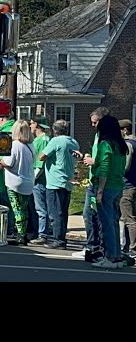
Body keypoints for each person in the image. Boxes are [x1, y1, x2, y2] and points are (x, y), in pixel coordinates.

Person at [87, 115, 128, 269]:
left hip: (107, 186)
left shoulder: (105, 144)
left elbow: (104, 168)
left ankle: (110, 257)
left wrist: (99, 191)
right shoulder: (120, 145)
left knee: (107, 224)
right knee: (114, 222)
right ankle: (117, 256)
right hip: (118, 185)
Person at [72, 106, 109, 262]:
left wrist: (94, 161)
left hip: (102, 183)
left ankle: (100, 248)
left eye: (95, 122)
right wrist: (87, 157)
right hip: (93, 182)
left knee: (99, 217)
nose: (93, 126)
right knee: (88, 215)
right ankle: (92, 246)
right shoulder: (97, 137)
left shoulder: (108, 138)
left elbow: (108, 162)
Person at [39, 119, 80, 249]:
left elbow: (42, 156)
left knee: (54, 213)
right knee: (63, 212)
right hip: (67, 181)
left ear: (54, 130)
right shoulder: (74, 142)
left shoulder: (55, 141)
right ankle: (61, 238)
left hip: (54, 181)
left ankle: (58, 240)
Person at [0, 119, 35, 246]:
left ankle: (20, 235)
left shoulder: (15, 145)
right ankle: (22, 233)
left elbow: (9, 163)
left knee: (16, 209)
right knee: (23, 209)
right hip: (28, 181)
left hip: (14, 181)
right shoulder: (31, 145)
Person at [28, 115, 52, 245]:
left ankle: (42, 234)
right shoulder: (41, 139)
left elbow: (39, 164)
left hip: (39, 181)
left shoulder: (42, 140)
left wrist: (32, 179)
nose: (30, 126)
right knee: (37, 208)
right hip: (38, 180)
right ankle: (38, 231)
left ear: (36, 124)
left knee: (41, 208)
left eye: (31, 123)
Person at [0, 115, 16, 238]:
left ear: (2, 119)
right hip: (14, 175)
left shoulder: (4, 133)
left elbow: (1, 157)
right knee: (11, 205)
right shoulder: (16, 130)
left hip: (0, 176)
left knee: (2, 205)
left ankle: (5, 230)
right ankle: (10, 229)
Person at [119, 119, 136, 256]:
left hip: (127, 185)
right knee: (128, 218)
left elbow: (125, 166)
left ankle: (132, 248)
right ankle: (126, 246)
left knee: (129, 219)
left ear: (125, 130)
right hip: (133, 185)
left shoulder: (128, 145)